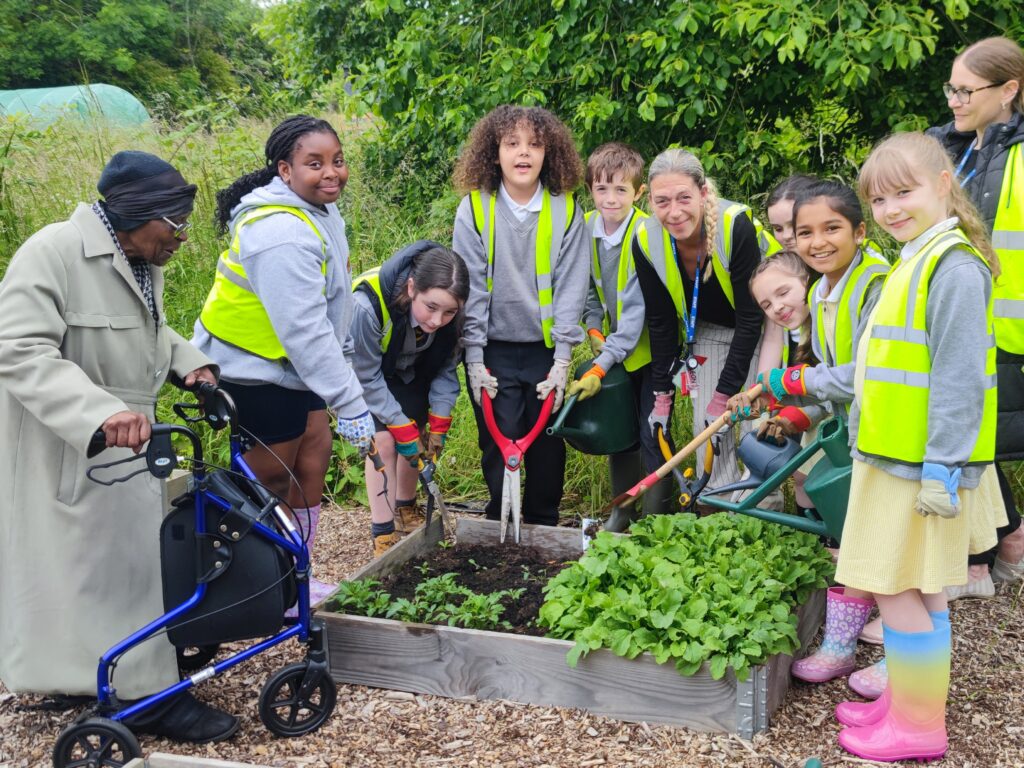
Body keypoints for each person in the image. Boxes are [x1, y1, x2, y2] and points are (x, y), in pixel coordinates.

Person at [770, 131, 1007, 762]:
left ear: (943, 185)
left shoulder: (952, 267)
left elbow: (960, 380)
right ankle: (906, 703)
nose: (891, 209)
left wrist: (945, 468)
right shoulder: (918, 256)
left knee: (898, 589)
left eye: (904, 192)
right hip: (893, 453)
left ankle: (920, 726)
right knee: (923, 593)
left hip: (917, 465)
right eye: (879, 199)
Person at [0, 150, 238, 742]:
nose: (181, 238)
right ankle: (147, 697)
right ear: (135, 212)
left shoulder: (136, 258)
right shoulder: (52, 253)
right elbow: (19, 349)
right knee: (96, 572)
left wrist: (193, 368)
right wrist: (102, 413)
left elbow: (149, 331)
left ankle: (96, 676)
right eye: (174, 225)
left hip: (130, 441)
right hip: (75, 442)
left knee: (115, 570)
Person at [193, 115, 373, 604]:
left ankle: (297, 574)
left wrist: (341, 380)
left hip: (295, 367)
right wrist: (351, 402)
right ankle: (257, 587)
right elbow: (304, 331)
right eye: (314, 163)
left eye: (337, 160)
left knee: (314, 458)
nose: (331, 172)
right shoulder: (278, 232)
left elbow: (328, 308)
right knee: (270, 477)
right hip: (254, 369)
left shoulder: (319, 210)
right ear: (285, 170)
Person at [749, 181, 892, 687]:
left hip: (894, 434)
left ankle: (900, 659)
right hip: (861, 433)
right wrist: (797, 413)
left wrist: (783, 383)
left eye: (830, 228)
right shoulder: (828, 292)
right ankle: (840, 646)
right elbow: (832, 391)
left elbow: (859, 375)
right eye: (805, 232)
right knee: (861, 540)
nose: (816, 240)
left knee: (891, 552)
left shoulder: (874, 284)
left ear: (859, 229)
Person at [452, 105, 589, 528]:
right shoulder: (473, 209)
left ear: (550, 153)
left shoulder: (566, 210)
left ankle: (543, 526)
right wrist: (473, 359)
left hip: (546, 351)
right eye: (512, 144)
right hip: (491, 349)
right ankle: (498, 525)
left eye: (535, 144)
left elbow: (571, 288)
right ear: (494, 153)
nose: (523, 153)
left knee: (548, 443)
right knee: (498, 440)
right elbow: (468, 288)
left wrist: (564, 359)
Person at [928, 35, 1024, 595]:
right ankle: (998, 544)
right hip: (955, 312)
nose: (954, 101)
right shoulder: (948, 150)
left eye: (966, 90)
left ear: (1009, 90)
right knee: (968, 433)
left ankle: (987, 554)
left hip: (1005, 324)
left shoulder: (1015, 156)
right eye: (951, 88)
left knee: (977, 438)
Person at [633, 148, 767, 495]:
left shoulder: (734, 225)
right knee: (707, 430)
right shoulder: (646, 239)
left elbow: (752, 318)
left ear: (704, 192)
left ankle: (763, 524)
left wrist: (724, 396)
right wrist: (661, 397)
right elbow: (661, 322)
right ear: (650, 200)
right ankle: (717, 516)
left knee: (753, 431)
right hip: (707, 331)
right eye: (662, 201)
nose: (674, 213)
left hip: (762, 330)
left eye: (683, 198)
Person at [350, 242, 469, 555]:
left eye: (449, 312)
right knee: (384, 442)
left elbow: (445, 369)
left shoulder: (452, 317)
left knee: (416, 437)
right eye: (431, 307)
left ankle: (405, 509)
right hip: (369, 373)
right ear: (412, 287)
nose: (436, 321)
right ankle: (383, 533)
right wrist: (396, 424)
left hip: (411, 370)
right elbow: (365, 375)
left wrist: (440, 422)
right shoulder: (366, 305)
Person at [566, 142, 653, 531]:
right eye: (602, 188)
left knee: (652, 432)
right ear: (590, 189)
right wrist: (593, 328)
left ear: (639, 192)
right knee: (621, 434)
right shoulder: (584, 227)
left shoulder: (646, 234)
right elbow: (585, 289)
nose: (610, 198)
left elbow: (635, 319)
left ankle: (656, 516)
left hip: (648, 352)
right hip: (612, 348)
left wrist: (599, 369)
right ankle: (624, 512)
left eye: (621, 189)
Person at [755, 175, 819, 379]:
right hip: (797, 367)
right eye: (778, 229)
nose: (787, 236)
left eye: (793, 224)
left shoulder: (836, 264)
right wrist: (760, 388)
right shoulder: (779, 264)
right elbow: (773, 337)